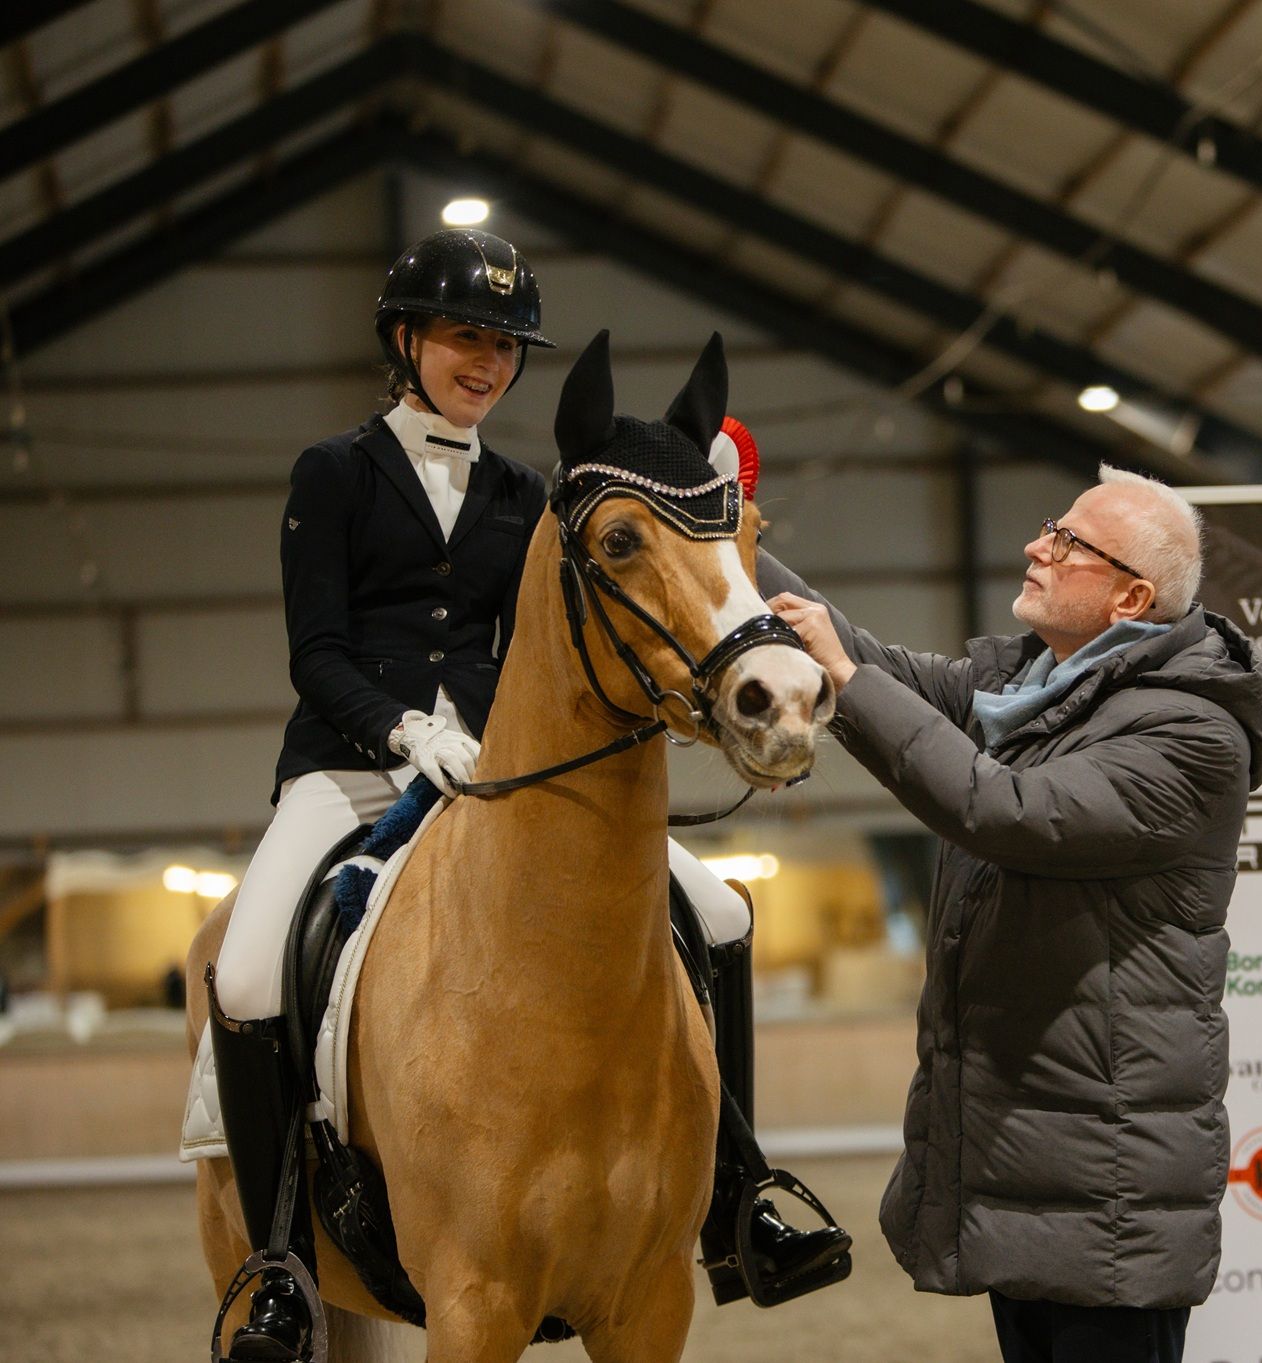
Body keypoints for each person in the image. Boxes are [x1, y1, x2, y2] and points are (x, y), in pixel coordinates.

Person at [202, 233, 842, 1361]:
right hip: (351, 767)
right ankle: (277, 1263)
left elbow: (553, 639)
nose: (486, 362)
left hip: (500, 765)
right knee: (249, 968)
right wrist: (404, 730)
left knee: (720, 914)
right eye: (466, 336)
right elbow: (317, 650)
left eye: (504, 346)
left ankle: (740, 1195)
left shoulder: (524, 493)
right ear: (407, 340)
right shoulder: (335, 473)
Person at [766, 465, 1262, 1363]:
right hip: (1032, 1162)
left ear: (1130, 597)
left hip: (1107, 1182)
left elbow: (1003, 811)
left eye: (1069, 541)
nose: (1037, 546)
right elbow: (863, 655)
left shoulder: (1189, 733)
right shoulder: (1030, 689)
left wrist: (842, 675)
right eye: (1051, 525)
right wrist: (718, 535)